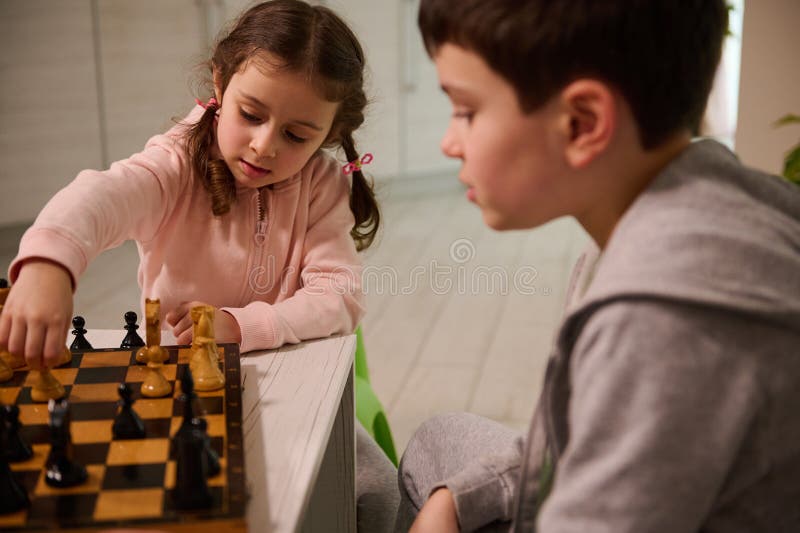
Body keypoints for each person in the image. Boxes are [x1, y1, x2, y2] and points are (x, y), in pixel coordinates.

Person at [395, 1, 800, 532]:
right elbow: (574, 439)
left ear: (583, 123)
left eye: (467, 111)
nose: (450, 143)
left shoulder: (659, 321)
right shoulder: (709, 202)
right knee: (438, 441)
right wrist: (463, 498)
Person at [0, 1, 397, 529]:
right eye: (251, 115)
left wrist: (242, 323)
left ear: (328, 133)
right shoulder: (173, 166)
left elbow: (340, 296)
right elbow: (102, 196)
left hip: (287, 375)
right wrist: (51, 261)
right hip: (183, 388)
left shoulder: (322, 185)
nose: (263, 144)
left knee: (376, 488)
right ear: (219, 81)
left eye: (296, 135)